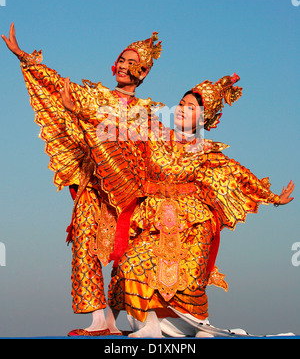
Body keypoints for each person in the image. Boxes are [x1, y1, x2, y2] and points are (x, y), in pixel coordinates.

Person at [59, 72, 294, 337]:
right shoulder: (154, 134)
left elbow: (238, 174)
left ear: (203, 118)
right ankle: (148, 327)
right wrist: (78, 113)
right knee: (129, 266)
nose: (182, 110)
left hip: (193, 227)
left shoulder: (206, 150)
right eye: (181, 104)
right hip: (153, 221)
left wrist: (274, 197)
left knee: (188, 283)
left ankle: (196, 326)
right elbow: (113, 133)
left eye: (191, 108)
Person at [1, 23, 162, 336]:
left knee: (126, 254)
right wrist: (24, 58)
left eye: (132, 63)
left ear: (141, 73)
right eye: (123, 59)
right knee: (83, 244)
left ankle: (116, 321)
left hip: (127, 193)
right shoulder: (95, 96)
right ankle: (97, 320)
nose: (125, 66)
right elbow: (58, 85)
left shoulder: (147, 112)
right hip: (92, 186)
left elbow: (147, 151)